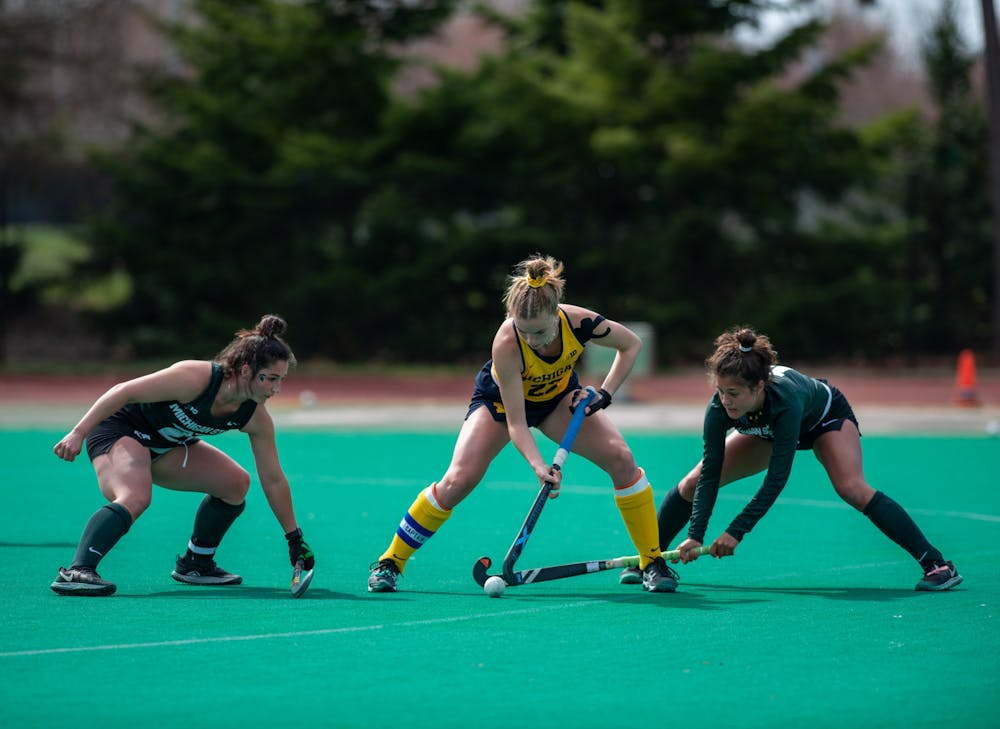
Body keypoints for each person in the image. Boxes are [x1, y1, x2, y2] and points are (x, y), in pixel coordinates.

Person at [367, 254, 677, 593]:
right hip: (500, 406)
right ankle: (390, 562)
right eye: (525, 332)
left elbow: (630, 344)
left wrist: (605, 393)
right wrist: (538, 465)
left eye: (541, 331)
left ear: (557, 313)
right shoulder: (507, 343)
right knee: (458, 480)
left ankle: (651, 561)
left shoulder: (580, 322)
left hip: (558, 400)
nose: (533, 340)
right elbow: (517, 423)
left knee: (621, 459)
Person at [619, 326, 962, 592]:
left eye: (734, 393)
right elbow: (710, 474)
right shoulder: (721, 407)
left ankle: (937, 565)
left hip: (822, 418)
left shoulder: (787, 400)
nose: (726, 401)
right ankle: (651, 560)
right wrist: (696, 535)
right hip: (765, 427)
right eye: (721, 391)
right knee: (694, 480)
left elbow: (777, 477)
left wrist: (736, 531)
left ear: (759, 387)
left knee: (851, 487)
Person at [50, 314, 315, 596]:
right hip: (120, 429)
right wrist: (78, 432)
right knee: (135, 496)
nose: (276, 389)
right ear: (247, 370)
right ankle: (77, 570)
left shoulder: (255, 417)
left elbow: (273, 480)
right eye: (271, 378)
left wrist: (294, 538)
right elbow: (123, 391)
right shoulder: (196, 378)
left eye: (281, 380)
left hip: (166, 444)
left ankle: (196, 564)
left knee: (236, 483)